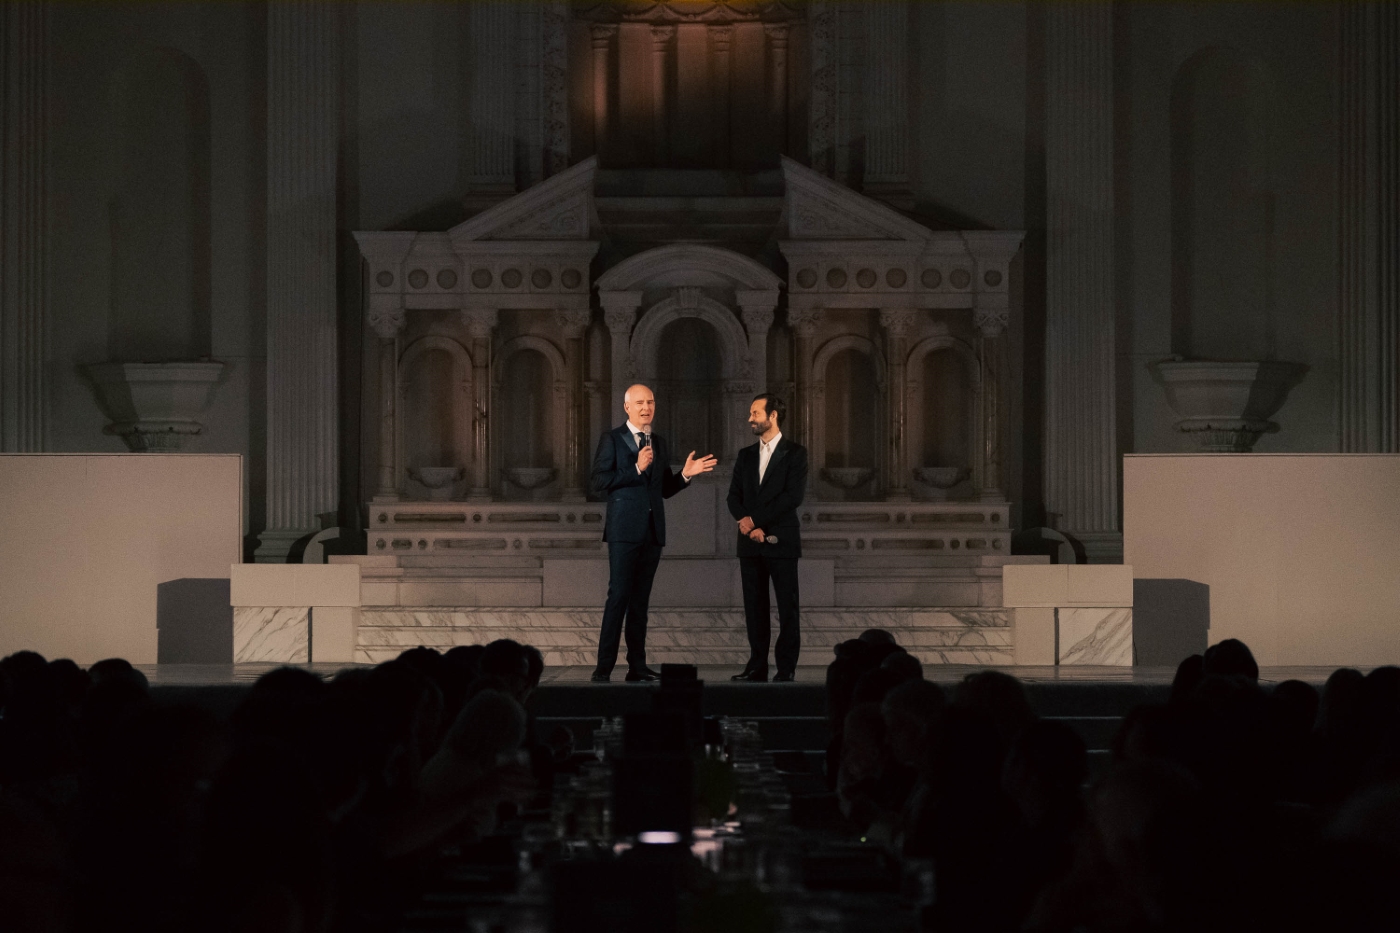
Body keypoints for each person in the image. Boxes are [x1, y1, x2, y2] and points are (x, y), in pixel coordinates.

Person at [589, 384, 717, 682]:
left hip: (652, 531)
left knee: (640, 602)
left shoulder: (657, 442)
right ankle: (603, 669)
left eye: (651, 402)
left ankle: (637, 666)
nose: (647, 407)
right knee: (618, 596)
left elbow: (664, 490)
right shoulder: (612, 438)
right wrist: (634, 468)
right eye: (640, 403)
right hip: (623, 530)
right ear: (627, 407)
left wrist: (686, 475)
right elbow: (598, 481)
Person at [726, 393, 808, 682]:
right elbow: (733, 497)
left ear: (773, 416)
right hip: (750, 543)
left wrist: (754, 520)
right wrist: (749, 526)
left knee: (788, 608)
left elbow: (792, 498)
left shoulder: (795, 453)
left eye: (755, 413)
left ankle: (785, 668)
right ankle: (756, 666)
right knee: (755, 609)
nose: (750, 418)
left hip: (782, 542)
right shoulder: (745, 455)